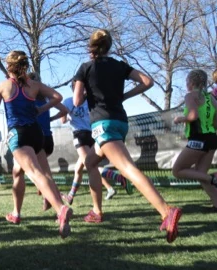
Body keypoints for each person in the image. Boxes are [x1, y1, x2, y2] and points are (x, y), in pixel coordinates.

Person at [73, 29, 181, 243]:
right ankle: (96, 211)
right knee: (90, 162)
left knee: (128, 169)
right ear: (109, 46)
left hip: (103, 124)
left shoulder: (85, 68)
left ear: (91, 47)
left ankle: (166, 210)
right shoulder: (119, 65)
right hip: (120, 122)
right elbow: (147, 81)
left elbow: (77, 101)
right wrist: (123, 96)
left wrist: (87, 91)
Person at [0, 50, 72, 238]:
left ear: (9, 66)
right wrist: (41, 109)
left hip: (19, 134)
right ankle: (16, 213)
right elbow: (57, 97)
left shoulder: (2, 86)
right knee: (26, 172)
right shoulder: (34, 85)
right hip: (37, 134)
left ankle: (60, 209)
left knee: (35, 174)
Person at [55, 80, 129, 205]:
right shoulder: (91, 100)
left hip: (80, 135)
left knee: (91, 165)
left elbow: (63, 120)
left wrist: (68, 116)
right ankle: (71, 196)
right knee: (78, 169)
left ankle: (118, 178)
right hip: (93, 134)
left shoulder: (69, 101)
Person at [172, 69, 217, 211]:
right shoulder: (212, 98)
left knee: (177, 170)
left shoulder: (191, 96)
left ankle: (214, 179)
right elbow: (216, 123)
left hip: (198, 139)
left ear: (190, 83)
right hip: (212, 139)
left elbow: (193, 116)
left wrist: (180, 119)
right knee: (201, 175)